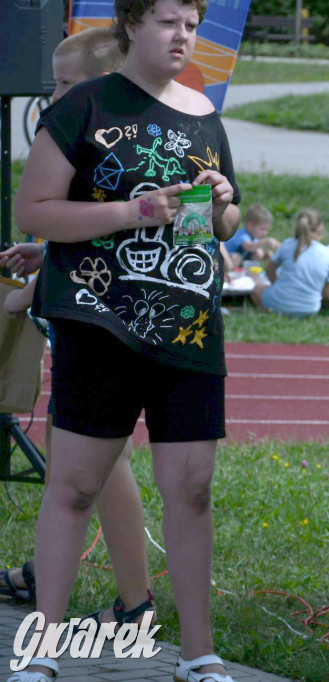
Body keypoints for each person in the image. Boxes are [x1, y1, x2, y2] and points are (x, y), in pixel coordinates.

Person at [11, 0, 242, 679]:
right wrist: (134, 210)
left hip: (188, 324)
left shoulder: (204, 115)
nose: (183, 37)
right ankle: (43, 650)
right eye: (169, 22)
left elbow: (213, 231)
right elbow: (34, 210)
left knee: (192, 488)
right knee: (75, 486)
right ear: (131, 26)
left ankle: (198, 655)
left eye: (192, 25)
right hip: (98, 322)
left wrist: (222, 203)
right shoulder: (83, 106)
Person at [0, 27, 155, 635]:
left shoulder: (110, 145)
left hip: (102, 329)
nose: (54, 97)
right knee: (95, 466)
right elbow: (89, 233)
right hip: (92, 324)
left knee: (82, 470)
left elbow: (115, 242)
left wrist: (33, 293)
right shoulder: (99, 136)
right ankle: (126, 597)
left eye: (65, 84)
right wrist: (45, 257)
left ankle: (114, 604)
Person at [251, 208, 329, 317]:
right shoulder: (328, 254)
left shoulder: (288, 244)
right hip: (310, 309)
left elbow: (269, 269)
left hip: (279, 303)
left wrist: (276, 284)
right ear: (320, 231)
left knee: (257, 289)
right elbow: (327, 290)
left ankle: (268, 310)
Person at [221, 203, 279, 268]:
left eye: (266, 229)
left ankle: (249, 272)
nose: (265, 233)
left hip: (238, 260)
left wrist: (265, 256)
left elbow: (255, 251)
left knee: (259, 252)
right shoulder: (242, 235)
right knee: (236, 257)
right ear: (250, 226)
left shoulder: (253, 238)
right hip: (223, 259)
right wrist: (266, 241)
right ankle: (230, 274)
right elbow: (249, 246)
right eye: (262, 229)